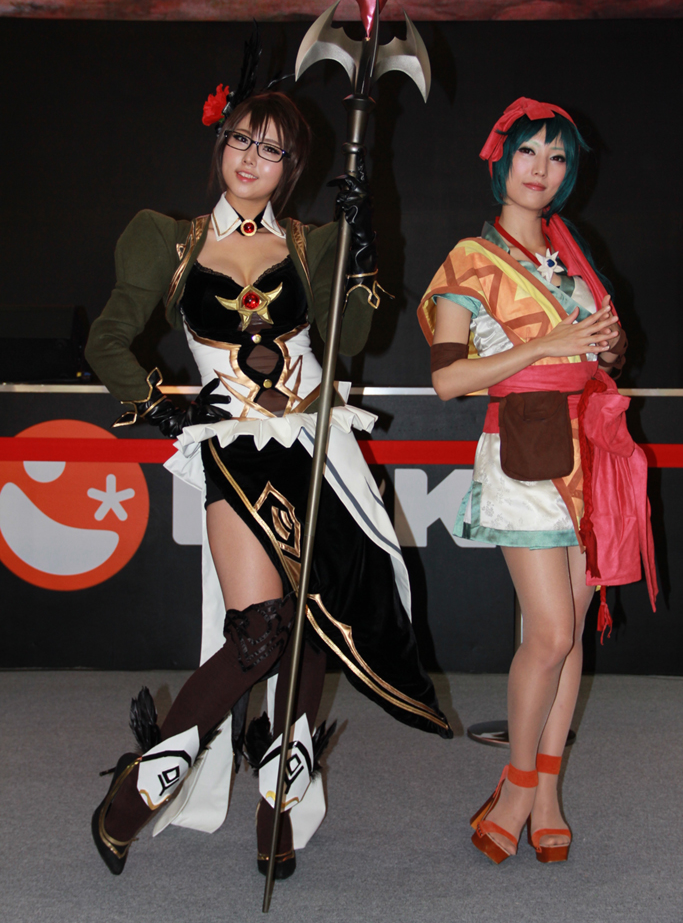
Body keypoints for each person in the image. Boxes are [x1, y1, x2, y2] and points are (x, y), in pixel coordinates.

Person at [86, 70, 452, 881]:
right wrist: (159, 406)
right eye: (242, 140)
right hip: (234, 448)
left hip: (319, 448)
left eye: (274, 150)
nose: (252, 158)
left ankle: (276, 810)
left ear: (293, 168)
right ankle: (137, 791)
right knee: (258, 634)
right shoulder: (167, 238)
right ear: (220, 144)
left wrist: (361, 254)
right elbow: (108, 338)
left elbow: (350, 338)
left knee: (312, 626)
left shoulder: (311, 243)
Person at [418, 97, 656, 864]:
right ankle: (517, 785)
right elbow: (447, 381)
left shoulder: (570, 252)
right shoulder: (468, 259)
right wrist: (543, 346)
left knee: (571, 632)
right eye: (528, 152)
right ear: (501, 160)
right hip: (523, 449)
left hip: (592, 449)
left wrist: (605, 348)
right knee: (548, 632)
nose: (541, 170)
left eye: (557, 158)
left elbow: (601, 355)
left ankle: (544, 790)